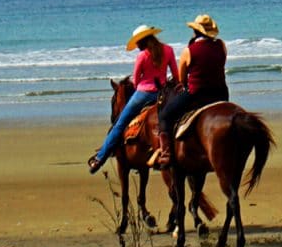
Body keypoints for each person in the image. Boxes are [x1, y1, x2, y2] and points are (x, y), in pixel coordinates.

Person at [88, 24, 177, 173]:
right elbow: (176, 74)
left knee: (119, 124)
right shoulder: (168, 50)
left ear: (142, 41)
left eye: (137, 42)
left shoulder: (142, 56)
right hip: (163, 94)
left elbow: (136, 81)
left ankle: (99, 159)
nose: (136, 45)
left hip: (144, 94)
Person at [149, 13, 229, 167]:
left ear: (195, 31)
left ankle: (166, 154)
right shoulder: (221, 45)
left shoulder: (189, 50)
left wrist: (185, 84)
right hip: (220, 93)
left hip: (197, 94)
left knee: (165, 115)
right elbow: (220, 65)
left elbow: (181, 78)